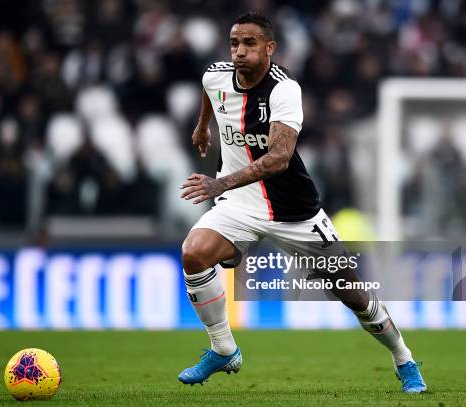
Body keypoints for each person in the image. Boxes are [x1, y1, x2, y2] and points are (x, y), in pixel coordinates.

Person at [177, 11, 426, 393]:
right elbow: (210, 92)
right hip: (238, 203)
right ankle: (224, 348)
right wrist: (201, 126)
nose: (239, 51)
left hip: (294, 211)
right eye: (234, 43)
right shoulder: (216, 74)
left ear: (270, 48)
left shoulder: (284, 89)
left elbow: (278, 159)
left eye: (250, 43)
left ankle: (404, 358)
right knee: (194, 252)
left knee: (352, 292)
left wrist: (218, 182)